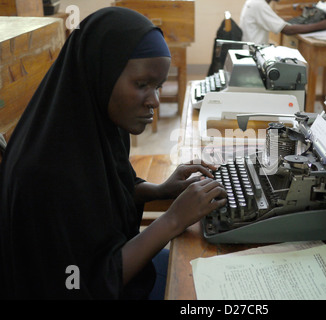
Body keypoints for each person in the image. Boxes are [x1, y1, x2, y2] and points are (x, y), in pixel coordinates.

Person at [0, 7, 227, 299]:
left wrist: (158, 190)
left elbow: (102, 193)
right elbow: (83, 282)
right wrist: (171, 220)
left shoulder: (100, 120)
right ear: (101, 72)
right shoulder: (45, 174)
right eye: (142, 85)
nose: (155, 101)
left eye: (158, 86)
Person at [240, 0, 326, 45]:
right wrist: (323, 25)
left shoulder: (255, 2)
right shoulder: (258, 4)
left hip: (251, 49)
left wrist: (300, 19)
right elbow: (287, 30)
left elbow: (273, 20)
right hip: (254, 55)